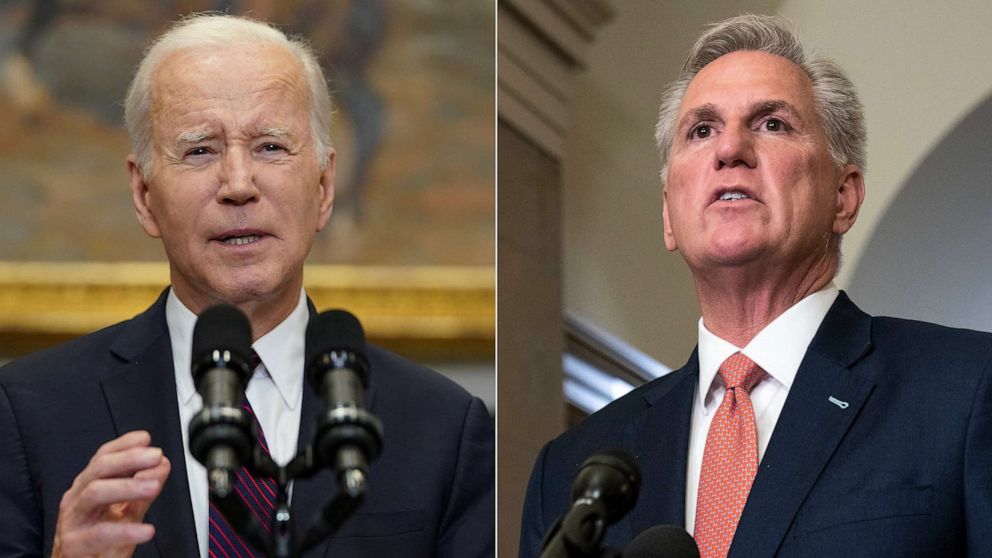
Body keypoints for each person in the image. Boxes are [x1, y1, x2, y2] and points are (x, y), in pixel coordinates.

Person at [0, 14, 493, 558]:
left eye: (271, 148)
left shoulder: (443, 427)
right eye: (200, 150)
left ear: (325, 188)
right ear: (143, 195)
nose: (238, 185)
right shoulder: (27, 414)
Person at [520, 14, 992, 558]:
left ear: (844, 196)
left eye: (771, 124)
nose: (730, 150)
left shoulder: (966, 390)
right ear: (669, 217)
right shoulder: (572, 469)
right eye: (701, 130)